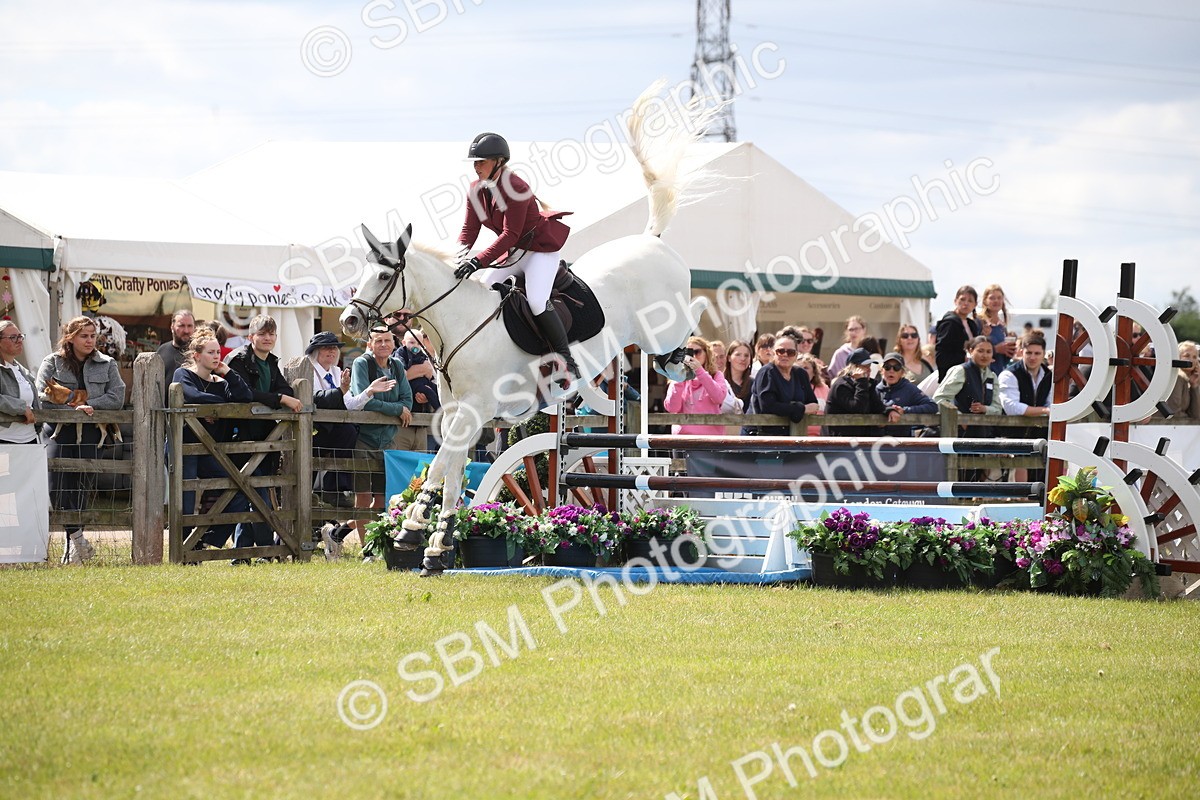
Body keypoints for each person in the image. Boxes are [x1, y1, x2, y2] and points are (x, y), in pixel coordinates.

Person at [453, 131, 577, 381]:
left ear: (499, 161)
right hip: (514, 253)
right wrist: (456, 258)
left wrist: (477, 261)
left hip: (539, 252)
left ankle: (566, 358)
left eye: (481, 162)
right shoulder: (475, 190)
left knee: (536, 302)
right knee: (483, 291)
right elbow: (469, 230)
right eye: (475, 162)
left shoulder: (517, 188)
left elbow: (510, 234)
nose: (476, 167)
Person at [36, 317, 126, 564]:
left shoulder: (107, 364)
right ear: (70, 337)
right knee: (57, 486)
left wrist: (91, 404)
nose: (89, 340)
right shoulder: (52, 362)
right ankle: (79, 541)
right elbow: (41, 395)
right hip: (58, 431)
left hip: (91, 434)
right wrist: (75, 405)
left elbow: (117, 396)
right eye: (83, 335)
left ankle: (72, 547)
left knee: (80, 487)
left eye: (92, 335)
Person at [302, 331, 395, 560]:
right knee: (307, 492)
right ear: (315, 352)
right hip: (316, 438)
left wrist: (368, 391)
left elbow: (350, 405)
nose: (332, 351)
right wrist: (342, 391)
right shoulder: (308, 370)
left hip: (338, 439)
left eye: (334, 347)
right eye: (326, 348)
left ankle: (337, 526)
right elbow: (316, 400)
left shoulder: (337, 371)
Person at [173, 329, 255, 562]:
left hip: (211, 450)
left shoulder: (221, 381)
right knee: (186, 499)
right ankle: (185, 552)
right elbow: (190, 395)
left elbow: (245, 396)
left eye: (218, 352)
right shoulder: (183, 374)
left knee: (238, 489)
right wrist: (218, 405)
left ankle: (204, 539)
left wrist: (227, 372)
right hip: (185, 448)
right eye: (210, 353)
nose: (216, 356)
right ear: (197, 355)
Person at [223, 315, 303, 552]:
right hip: (241, 434)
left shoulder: (271, 363)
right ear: (251, 337)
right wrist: (279, 399)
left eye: (271, 334)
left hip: (267, 436)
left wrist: (281, 396)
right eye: (262, 334)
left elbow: (285, 388)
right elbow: (244, 393)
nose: (267, 338)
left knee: (255, 492)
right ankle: (267, 548)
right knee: (254, 493)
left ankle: (242, 552)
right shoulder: (238, 360)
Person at [350, 326, 414, 551]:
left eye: (387, 341)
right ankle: (365, 547)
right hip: (363, 438)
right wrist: (397, 410)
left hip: (388, 440)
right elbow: (365, 401)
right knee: (363, 497)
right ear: (370, 344)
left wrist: (400, 407)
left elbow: (408, 400)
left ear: (394, 344)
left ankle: (378, 544)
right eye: (378, 341)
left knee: (383, 497)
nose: (384, 345)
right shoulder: (362, 364)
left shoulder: (397, 366)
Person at [998, 333, 1052, 482]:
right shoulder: (1009, 374)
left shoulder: (1049, 375)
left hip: (1039, 434)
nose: (1033, 357)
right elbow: (1011, 407)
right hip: (1011, 433)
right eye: (1029, 353)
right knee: (1009, 480)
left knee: (1038, 479)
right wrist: (1044, 411)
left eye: (1037, 353)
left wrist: (1046, 409)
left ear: (1043, 355)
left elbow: (1050, 402)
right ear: (1021, 352)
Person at [743, 333, 819, 435]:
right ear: (773, 353)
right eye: (780, 351)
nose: (785, 355)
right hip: (761, 436)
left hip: (792, 434)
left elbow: (813, 404)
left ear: (796, 355)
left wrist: (791, 409)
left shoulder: (800, 374)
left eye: (790, 352)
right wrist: (802, 408)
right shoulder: (767, 372)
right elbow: (768, 407)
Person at [934, 336, 1003, 437]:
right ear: (971, 351)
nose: (985, 355)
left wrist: (985, 409)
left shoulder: (992, 376)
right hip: (959, 434)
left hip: (984, 435)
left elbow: (997, 409)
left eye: (989, 352)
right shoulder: (961, 371)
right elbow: (940, 399)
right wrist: (961, 420)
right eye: (980, 351)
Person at [664, 337, 729, 435]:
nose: (693, 356)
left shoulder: (716, 375)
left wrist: (699, 371)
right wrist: (680, 377)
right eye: (688, 352)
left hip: (711, 439)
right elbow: (672, 408)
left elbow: (719, 398)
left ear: (706, 354)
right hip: (683, 439)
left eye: (697, 352)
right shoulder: (677, 378)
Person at [825, 348, 897, 436]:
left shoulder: (866, 384)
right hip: (840, 440)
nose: (869, 370)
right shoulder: (841, 385)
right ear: (853, 367)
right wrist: (861, 381)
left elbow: (876, 405)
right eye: (864, 367)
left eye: (869, 366)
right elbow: (858, 409)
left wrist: (890, 410)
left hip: (860, 440)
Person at [876, 351, 937, 437]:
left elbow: (932, 406)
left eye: (896, 367)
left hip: (901, 442)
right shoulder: (876, 390)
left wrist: (904, 410)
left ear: (902, 372)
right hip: (876, 441)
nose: (891, 371)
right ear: (882, 370)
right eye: (887, 367)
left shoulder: (909, 389)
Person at [0, 322, 41, 446]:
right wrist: (21, 408)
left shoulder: (21, 370)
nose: (19, 341)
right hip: (4, 440)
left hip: (30, 439)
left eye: (20, 336)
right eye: (13, 337)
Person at [935, 286, 982, 380]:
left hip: (969, 374)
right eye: (962, 299)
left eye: (970, 301)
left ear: (975, 304)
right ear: (955, 301)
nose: (965, 303)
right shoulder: (949, 323)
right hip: (952, 376)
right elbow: (941, 356)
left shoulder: (972, 324)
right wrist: (964, 358)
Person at [156, 309, 195, 403]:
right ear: (172, 327)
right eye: (181, 326)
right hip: (165, 413)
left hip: (193, 413)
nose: (186, 330)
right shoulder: (162, 350)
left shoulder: (200, 352)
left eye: (189, 326)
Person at [979, 284, 1017, 372]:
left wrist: (1010, 352)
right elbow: (974, 350)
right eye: (992, 298)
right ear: (985, 301)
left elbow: (1003, 360)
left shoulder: (1002, 327)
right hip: (983, 373)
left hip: (998, 374)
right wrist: (996, 349)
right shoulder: (980, 323)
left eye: (999, 298)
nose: (996, 301)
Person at [1163, 340, 1200, 421]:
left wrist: (1194, 386)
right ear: (1178, 357)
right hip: (1160, 426)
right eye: (1187, 355)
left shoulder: (1187, 380)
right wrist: (1189, 419)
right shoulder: (1177, 378)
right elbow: (1174, 412)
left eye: (1194, 357)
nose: (1191, 360)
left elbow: (1196, 414)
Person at [796, 353, 829, 436]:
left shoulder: (824, 388)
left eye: (806, 368)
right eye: (799, 368)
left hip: (820, 437)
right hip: (797, 434)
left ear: (814, 372)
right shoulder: (790, 387)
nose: (802, 371)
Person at [723, 340, 754, 411]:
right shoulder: (720, 381)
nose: (743, 359)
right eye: (738, 355)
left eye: (746, 355)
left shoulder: (754, 384)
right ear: (729, 358)